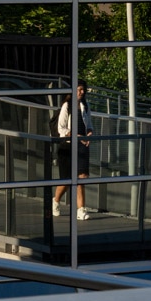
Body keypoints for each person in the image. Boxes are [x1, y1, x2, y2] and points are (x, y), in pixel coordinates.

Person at [53, 83, 93, 221]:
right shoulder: (67, 106)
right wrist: (76, 136)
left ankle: (81, 210)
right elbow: (61, 129)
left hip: (82, 146)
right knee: (67, 180)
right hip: (68, 146)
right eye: (79, 89)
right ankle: (56, 200)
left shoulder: (85, 106)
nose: (81, 92)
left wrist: (89, 134)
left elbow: (89, 125)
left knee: (81, 178)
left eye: (83, 90)